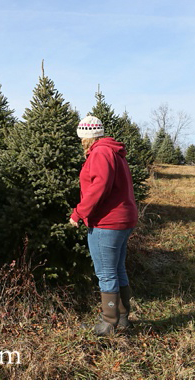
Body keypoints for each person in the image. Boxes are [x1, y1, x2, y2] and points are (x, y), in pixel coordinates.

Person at [68, 115, 139, 336]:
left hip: (107, 223)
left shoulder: (100, 152)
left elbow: (98, 187)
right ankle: (123, 319)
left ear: (85, 137)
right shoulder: (114, 151)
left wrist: (78, 213)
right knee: (118, 269)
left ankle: (108, 323)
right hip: (123, 219)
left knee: (106, 273)